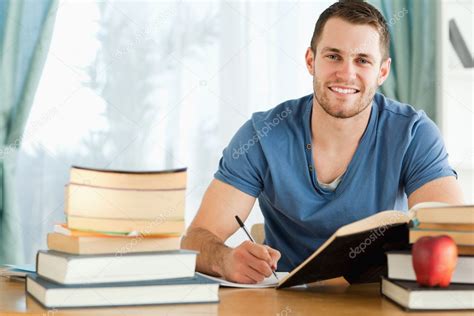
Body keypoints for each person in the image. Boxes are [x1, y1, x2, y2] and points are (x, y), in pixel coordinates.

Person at [181, 1, 464, 284]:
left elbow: (452, 235)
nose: (346, 73)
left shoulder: (414, 134)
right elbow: (195, 238)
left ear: (382, 72)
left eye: (362, 60)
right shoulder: (262, 134)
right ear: (310, 60)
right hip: (289, 300)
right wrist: (225, 259)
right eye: (333, 56)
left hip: (378, 300)